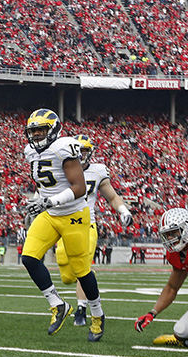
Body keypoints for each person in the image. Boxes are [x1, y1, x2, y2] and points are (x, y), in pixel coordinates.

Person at [21, 109, 106, 342]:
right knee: (29, 257)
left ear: (54, 129)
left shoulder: (63, 147)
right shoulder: (30, 151)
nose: (37, 135)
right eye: (33, 130)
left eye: (41, 129)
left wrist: (50, 201)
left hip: (74, 215)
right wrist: (40, 201)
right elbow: (45, 185)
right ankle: (57, 304)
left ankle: (97, 314)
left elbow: (79, 187)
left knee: (81, 271)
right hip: (50, 213)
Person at [54, 135, 132, 326]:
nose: (81, 155)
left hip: (88, 224)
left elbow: (112, 196)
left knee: (83, 266)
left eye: (85, 151)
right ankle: (87, 283)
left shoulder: (97, 171)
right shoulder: (63, 170)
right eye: (78, 151)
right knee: (66, 276)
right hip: (66, 224)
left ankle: (81, 308)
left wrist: (123, 210)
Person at [134, 208, 188, 346]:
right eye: (167, 234)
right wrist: (152, 313)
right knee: (181, 332)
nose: (170, 238)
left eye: (173, 233)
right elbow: (172, 288)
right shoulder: (177, 254)